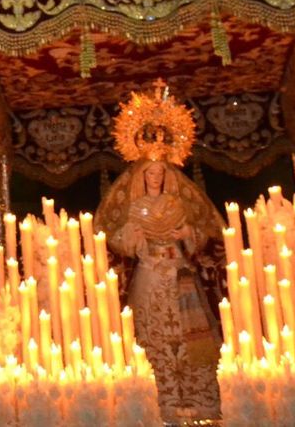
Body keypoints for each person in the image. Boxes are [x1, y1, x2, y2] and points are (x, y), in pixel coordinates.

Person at [101, 159, 225, 423]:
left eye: (160, 173)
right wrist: (135, 237)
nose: (155, 177)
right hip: (150, 272)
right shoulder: (136, 207)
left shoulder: (176, 204)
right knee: (152, 330)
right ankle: (160, 398)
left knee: (188, 334)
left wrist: (188, 234)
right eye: (151, 173)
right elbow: (119, 240)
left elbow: (200, 236)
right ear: (142, 177)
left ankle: (197, 397)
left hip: (180, 274)